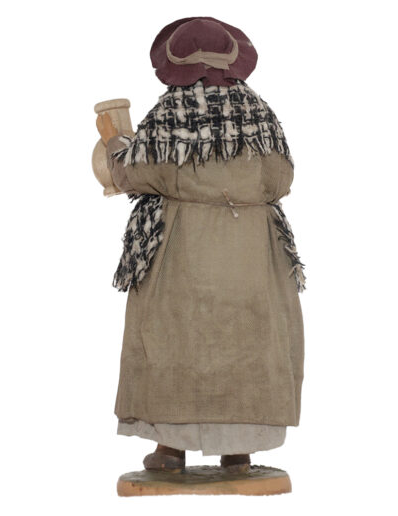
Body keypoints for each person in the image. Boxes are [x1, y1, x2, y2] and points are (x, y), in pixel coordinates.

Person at [96, 16, 305, 474]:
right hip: (251, 255)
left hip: (181, 252)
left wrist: (114, 144)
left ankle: (170, 450)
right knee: (249, 343)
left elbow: (132, 174)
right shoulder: (259, 112)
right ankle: (239, 451)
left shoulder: (170, 113)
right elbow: (280, 179)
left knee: (173, 341)